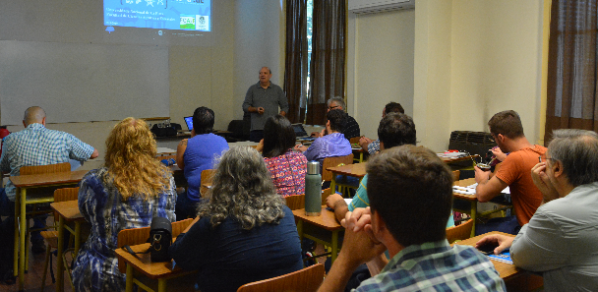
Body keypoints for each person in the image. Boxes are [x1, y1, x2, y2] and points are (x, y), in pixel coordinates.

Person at [317, 145, 506, 292]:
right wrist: (373, 257)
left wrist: (346, 259)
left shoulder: (371, 289)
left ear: (379, 221)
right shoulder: (480, 265)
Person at [476, 129, 598, 292]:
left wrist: (547, 199)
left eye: (544, 160)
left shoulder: (556, 213)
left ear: (557, 169)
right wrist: (515, 241)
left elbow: (520, 257)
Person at [169, 146, 303, 292]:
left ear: (222, 180)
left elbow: (179, 256)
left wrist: (201, 216)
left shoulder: (215, 222)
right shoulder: (285, 213)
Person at [71, 118, 176, 292]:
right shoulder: (166, 180)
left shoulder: (93, 180)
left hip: (104, 273)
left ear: (113, 145)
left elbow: (86, 214)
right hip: (150, 271)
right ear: (148, 145)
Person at [0, 106, 98, 255]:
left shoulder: (10, 140)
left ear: (24, 123)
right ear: (44, 121)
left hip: (19, 201)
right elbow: (94, 154)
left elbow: (3, 168)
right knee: (46, 191)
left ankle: (11, 243)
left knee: (23, 195)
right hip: (54, 201)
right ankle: (37, 236)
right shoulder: (64, 137)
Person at [327, 113, 453, 228]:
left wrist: (337, 202)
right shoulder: (437, 173)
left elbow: (349, 217)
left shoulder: (379, 177)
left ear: (381, 145)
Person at [474, 110, 546, 235]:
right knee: (493, 221)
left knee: (473, 229)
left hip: (529, 231)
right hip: (544, 226)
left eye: (494, 138)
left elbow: (482, 196)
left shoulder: (515, 158)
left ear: (501, 137)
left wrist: (481, 180)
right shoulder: (544, 151)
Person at [175, 107, 228, 220]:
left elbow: (181, 166)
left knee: (178, 200)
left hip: (196, 202)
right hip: (219, 200)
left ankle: (181, 232)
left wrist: (193, 137)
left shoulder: (185, 144)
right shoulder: (223, 141)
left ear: (193, 125)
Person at [256, 115, 307, 197]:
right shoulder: (302, 158)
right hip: (301, 206)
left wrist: (256, 150)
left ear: (267, 138)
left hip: (278, 208)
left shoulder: (264, 164)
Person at [242, 67, 289, 142]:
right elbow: (245, 106)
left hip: (273, 128)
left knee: (273, 151)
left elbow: (285, 106)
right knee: (257, 152)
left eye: (265, 73)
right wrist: (256, 109)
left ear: (270, 75)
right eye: (260, 73)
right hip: (257, 129)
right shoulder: (252, 89)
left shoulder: (277, 89)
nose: (262, 75)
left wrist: (279, 117)